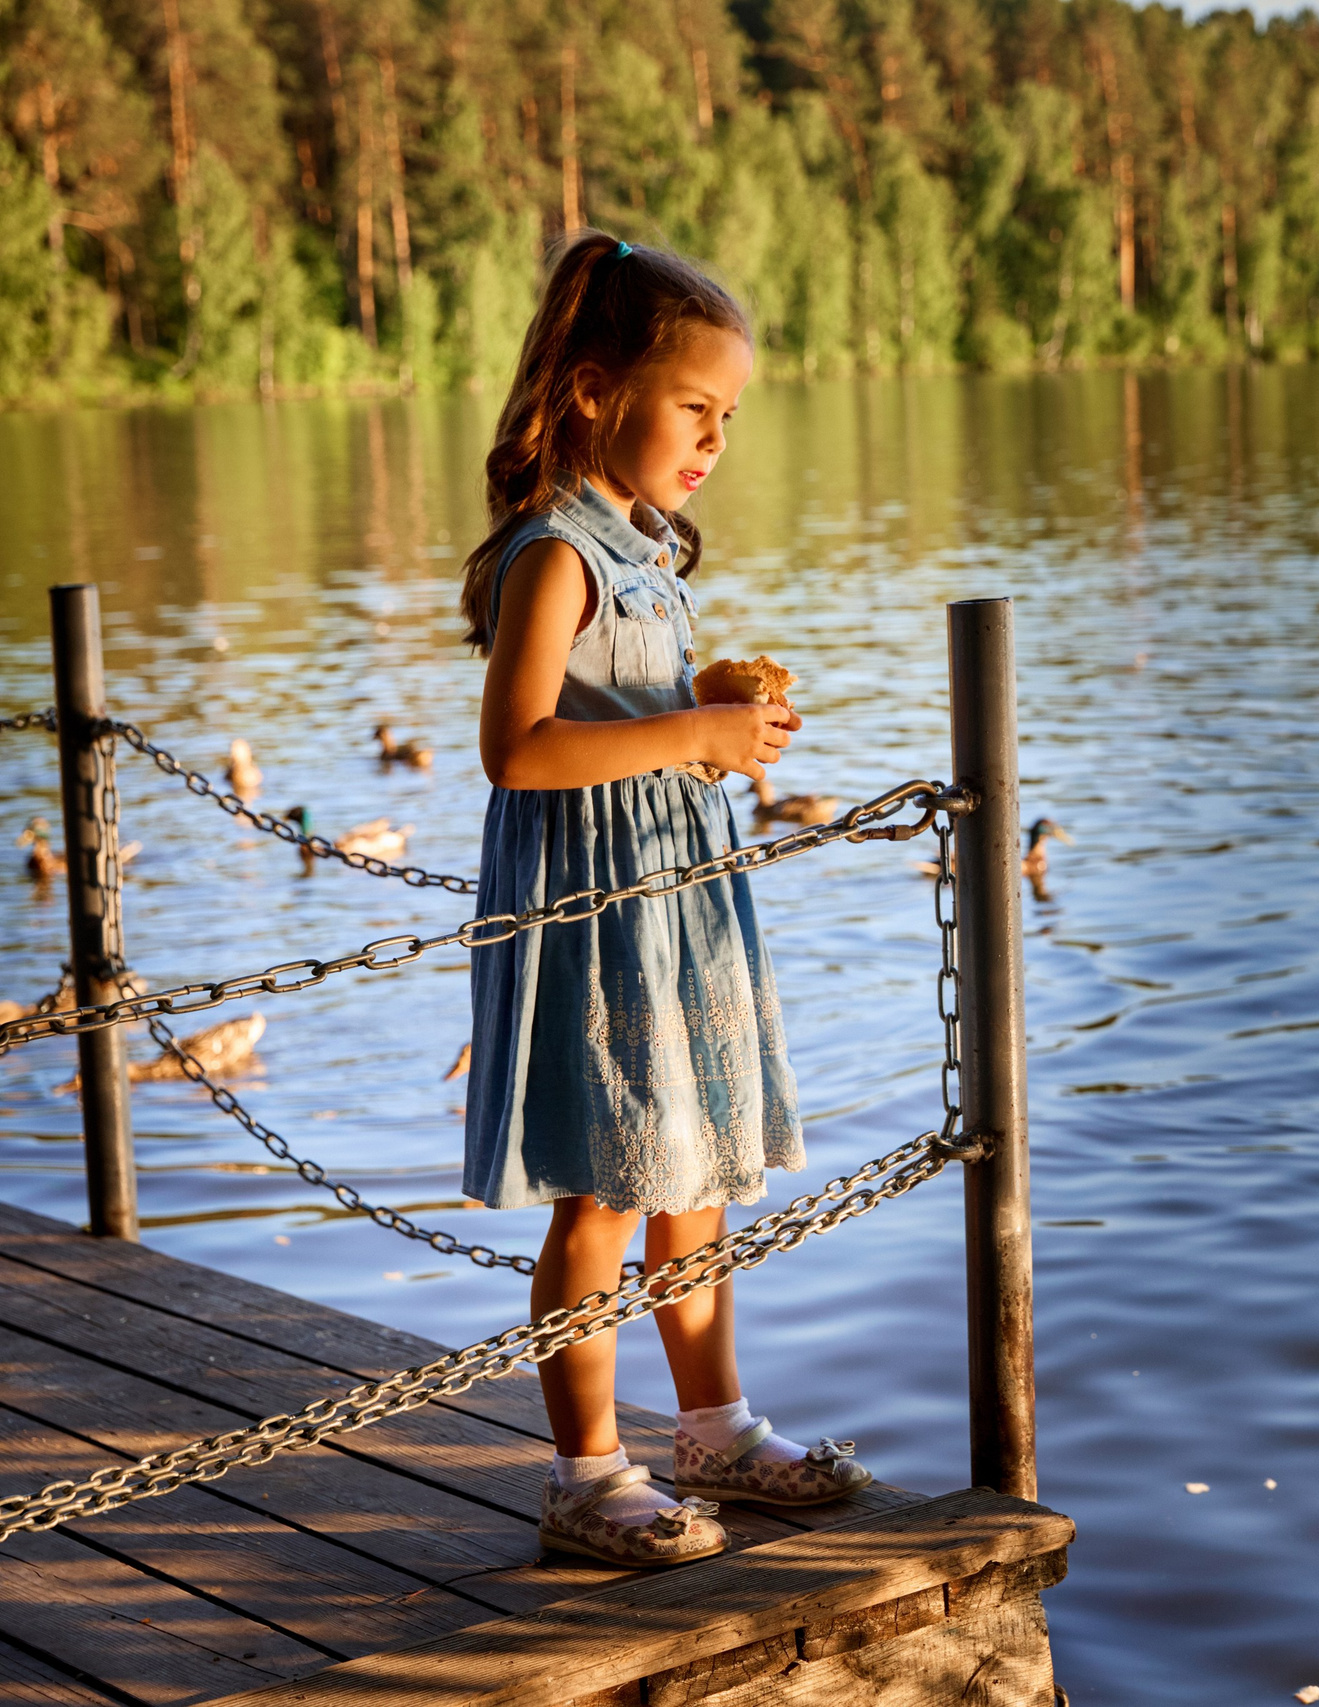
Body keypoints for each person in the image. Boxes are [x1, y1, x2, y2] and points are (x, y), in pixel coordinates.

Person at [458, 230, 868, 1568]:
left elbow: (616, 715)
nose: (715, 439)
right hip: (595, 919)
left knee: (695, 1177)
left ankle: (714, 1429)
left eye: (727, 415)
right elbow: (518, 748)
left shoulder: (647, 551)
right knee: (608, 1191)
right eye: (695, 406)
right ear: (593, 393)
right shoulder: (555, 555)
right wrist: (691, 734)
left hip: (675, 908)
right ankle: (586, 1473)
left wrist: (709, 712)